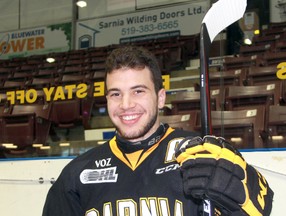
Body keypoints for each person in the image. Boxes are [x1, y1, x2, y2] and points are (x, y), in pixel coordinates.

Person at [42, 46, 273, 216]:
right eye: (116, 94)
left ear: (160, 98)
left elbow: (261, 205)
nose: (125, 105)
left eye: (138, 91)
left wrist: (237, 195)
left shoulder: (199, 154)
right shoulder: (76, 174)